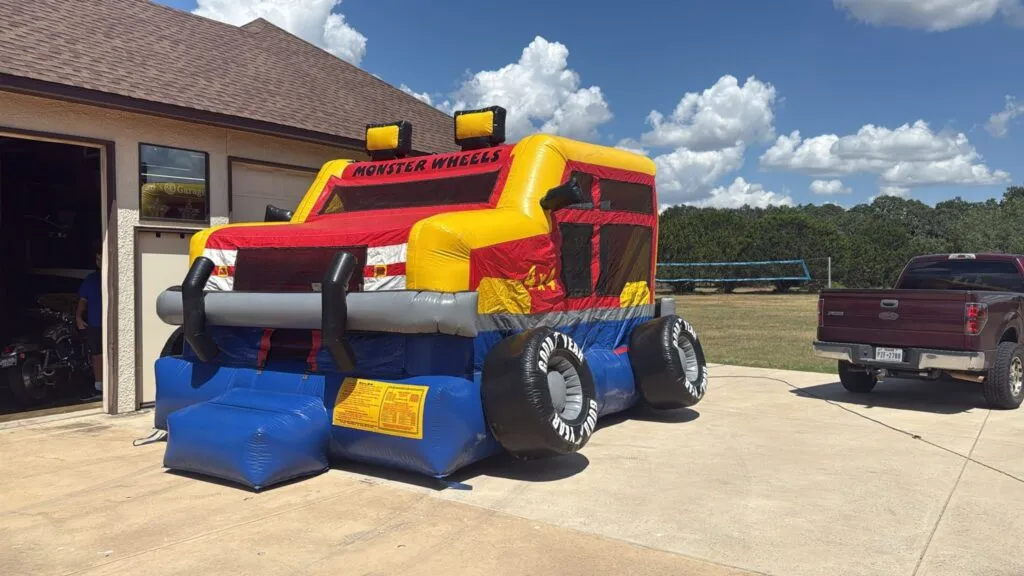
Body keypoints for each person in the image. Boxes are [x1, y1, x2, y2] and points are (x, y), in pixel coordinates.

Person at [76, 240, 103, 401]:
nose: (99, 262)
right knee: (97, 355)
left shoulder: (115, 275)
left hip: (112, 325)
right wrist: (79, 318)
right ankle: (99, 387)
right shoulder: (91, 279)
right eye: (97, 259)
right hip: (95, 324)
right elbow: (82, 301)